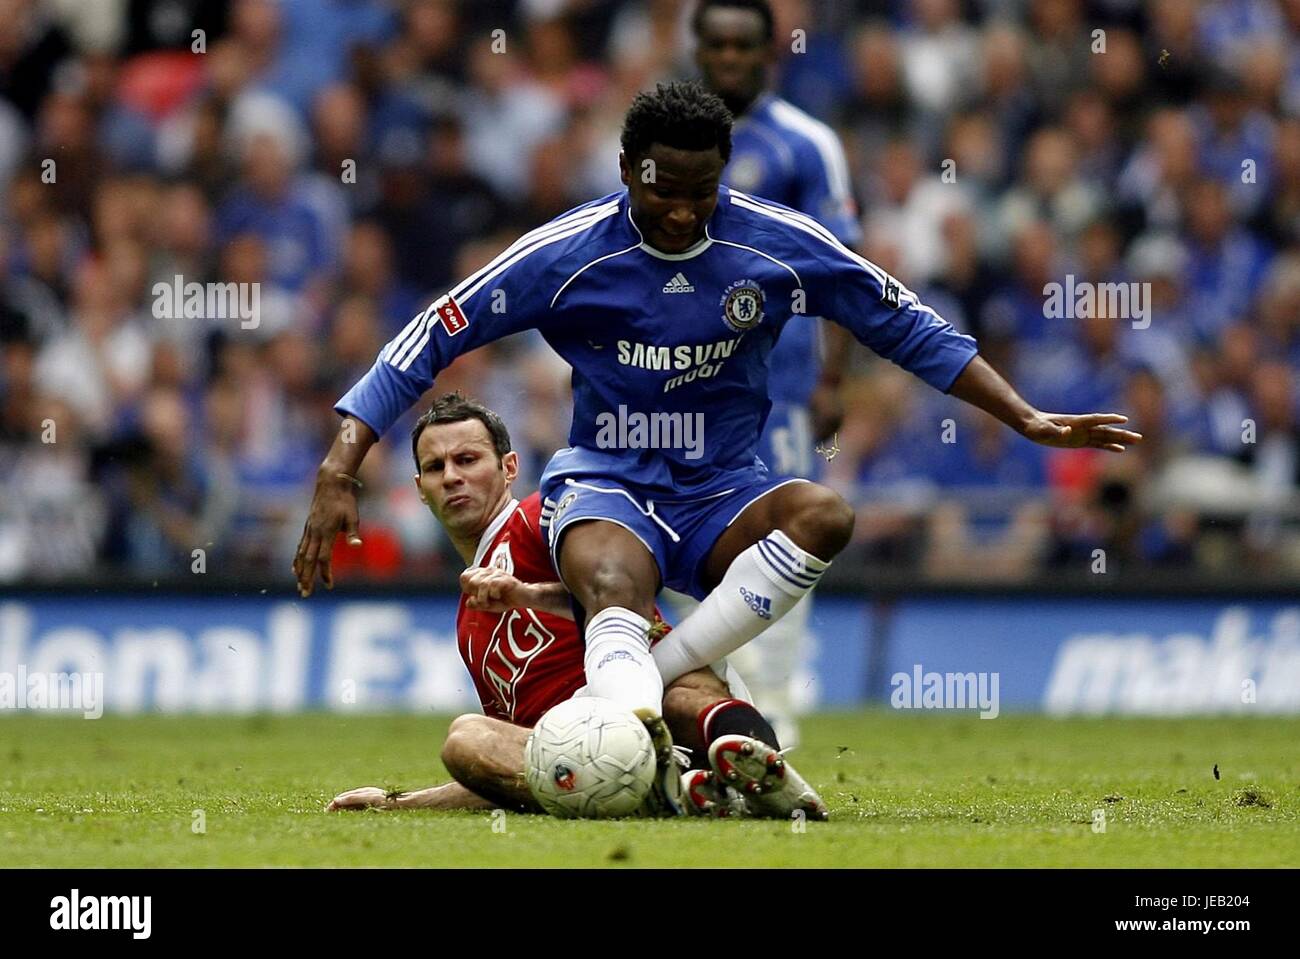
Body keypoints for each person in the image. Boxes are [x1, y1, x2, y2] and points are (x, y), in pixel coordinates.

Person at [297, 80, 1140, 813]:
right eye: (664, 187)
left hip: (722, 489)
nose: (682, 209)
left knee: (826, 512)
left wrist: (1025, 415)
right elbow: (431, 333)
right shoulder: (564, 254)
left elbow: (902, 320)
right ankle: (654, 745)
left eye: (703, 191)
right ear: (628, 168)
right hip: (607, 480)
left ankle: (638, 728)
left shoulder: (773, 243)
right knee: (612, 577)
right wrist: (341, 464)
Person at [326, 393, 827, 819]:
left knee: (677, 687)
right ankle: (681, 788)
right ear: (419, 490)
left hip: (656, 701)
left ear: (509, 467)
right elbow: (529, 759)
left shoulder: (548, 516)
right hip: (586, 755)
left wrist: (530, 595)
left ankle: (755, 767)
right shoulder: (469, 624)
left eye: (468, 459)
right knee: (467, 739)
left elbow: (628, 596)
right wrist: (401, 804)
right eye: (436, 468)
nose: (452, 477)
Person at [674, 0, 864, 744]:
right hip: (673, 381)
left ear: (768, 54)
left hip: (774, 388)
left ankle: (776, 703)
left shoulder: (806, 146)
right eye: (714, 44)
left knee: (781, 535)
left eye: (740, 45)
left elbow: (841, 268)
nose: (727, 57)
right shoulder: (665, 136)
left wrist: (832, 378)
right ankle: (697, 704)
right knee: (681, 542)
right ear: (698, 50)